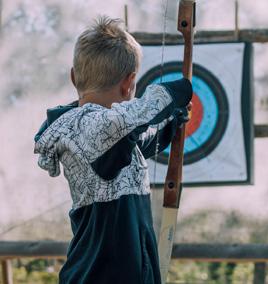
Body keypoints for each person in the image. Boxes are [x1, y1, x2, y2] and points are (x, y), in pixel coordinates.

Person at [33, 16, 192, 284]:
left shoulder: (109, 136)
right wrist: (181, 90)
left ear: (74, 77)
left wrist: (171, 124)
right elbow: (130, 117)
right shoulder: (89, 124)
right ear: (129, 84)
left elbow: (137, 141)